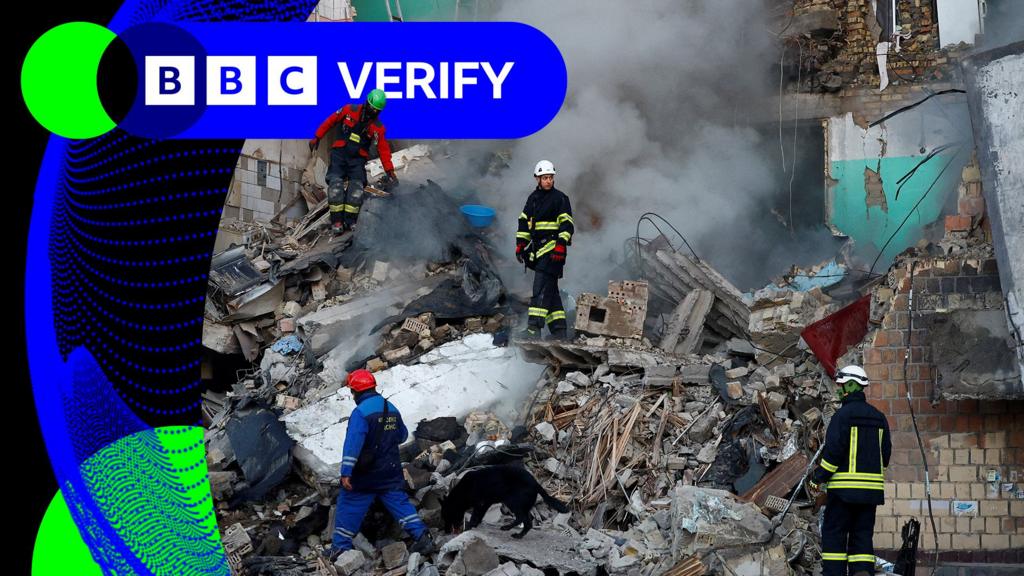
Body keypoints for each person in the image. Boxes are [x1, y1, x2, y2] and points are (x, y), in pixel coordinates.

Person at [325, 369, 434, 562]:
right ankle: (422, 536)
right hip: (390, 470)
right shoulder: (390, 407)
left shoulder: (360, 413)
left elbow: (353, 445)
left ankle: (340, 548)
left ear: (356, 392)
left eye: (352, 392)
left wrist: (346, 472)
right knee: (400, 503)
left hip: (366, 474)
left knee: (349, 504)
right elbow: (402, 435)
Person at [808, 365, 892, 576]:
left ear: (851, 386)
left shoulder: (842, 417)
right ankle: (862, 572)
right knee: (862, 537)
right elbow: (886, 455)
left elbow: (833, 453)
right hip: (871, 494)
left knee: (834, 535)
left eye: (842, 385)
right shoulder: (879, 418)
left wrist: (817, 478)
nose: (839, 389)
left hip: (844, 492)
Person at [310, 89, 397, 234]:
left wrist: (390, 172)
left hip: (357, 159)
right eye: (371, 108)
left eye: (376, 111)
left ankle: (350, 221)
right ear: (366, 103)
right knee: (336, 187)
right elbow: (330, 121)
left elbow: (384, 149)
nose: (372, 112)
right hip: (340, 154)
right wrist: (317, 137)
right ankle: (337, 221)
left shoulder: (378, 128)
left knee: (356, 190)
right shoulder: (349, 110)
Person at [515, 160, 574, 339]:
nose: (548, 181)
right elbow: (524, 222)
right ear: (537, 179)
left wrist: (561, 245)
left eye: (550, 177)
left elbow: (567, 224)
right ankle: (559, 331)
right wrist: (520, 244)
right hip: (538, 250)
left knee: (539, 289)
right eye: (545, 178)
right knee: (551, 292)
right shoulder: (533, 199)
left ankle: (534, 329)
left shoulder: (560, 198)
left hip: (553, 251)